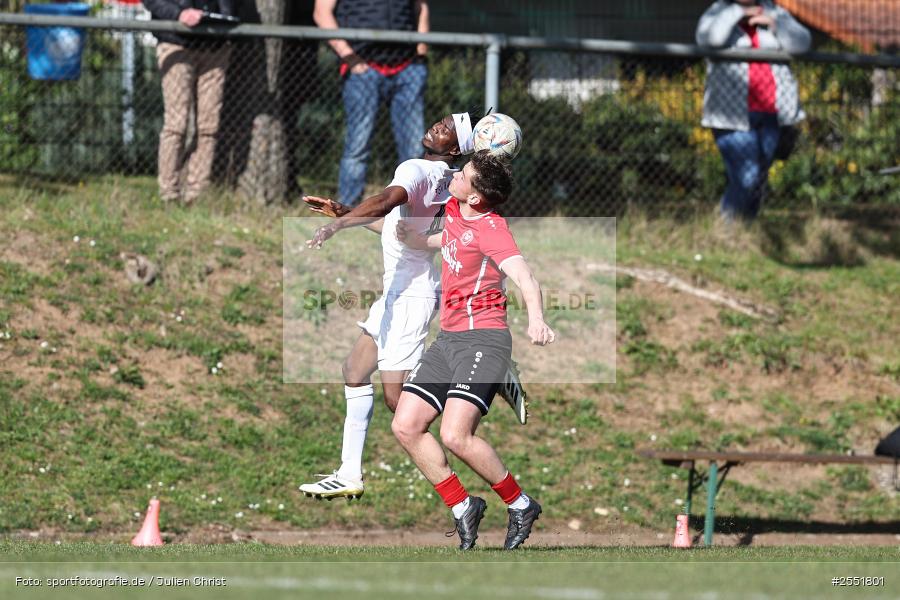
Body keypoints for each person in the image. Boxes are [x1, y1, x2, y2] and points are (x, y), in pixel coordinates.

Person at [298, 113, 470, 500]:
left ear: (454, 149)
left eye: (448, 130)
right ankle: (349, 473)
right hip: (398, 293)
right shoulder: (444, 177)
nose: (437, 127)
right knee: (354, 370)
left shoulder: (417, 169)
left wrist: (339, 226)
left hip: (410, 297)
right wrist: (345, 212)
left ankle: (481, 383)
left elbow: (383, 202)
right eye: (440, 122)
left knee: (399, 401)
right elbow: (393, 225)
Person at [391, 151, 555, 550]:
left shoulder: (492, 228)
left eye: (464, 175)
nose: (456, 175)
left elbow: (525, 277)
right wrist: (360, 220)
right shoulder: (454, 207)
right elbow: (444, 239)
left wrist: (536, 319)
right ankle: (463, 506)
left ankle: (520, 504)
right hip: (449, 340)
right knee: (405, 425)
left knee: (455, 435)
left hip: (484, 339)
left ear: (477, 197)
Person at [696, 0, 811, 221]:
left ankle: (746, 230)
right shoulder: (718, 11)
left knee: (758, 179)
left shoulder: (774, 11)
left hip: (772, 112)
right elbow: (710, 38)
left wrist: (776, 24)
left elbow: (802, 43)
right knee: (746, 177)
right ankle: (728, 229)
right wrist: (738, 13)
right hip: (730, 115)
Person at [313, 0, 429, 207]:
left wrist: (420, 55)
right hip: (362, 69)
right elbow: (322, 13)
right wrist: (350, 58)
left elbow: (421, 9)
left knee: (414, 150)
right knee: (357, 147)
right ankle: (347, 214)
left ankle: (413, 214)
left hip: (407, 68)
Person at [142, 0, 237, 204]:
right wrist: (179, 13)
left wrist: (225, 19)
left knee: (209, 126)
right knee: (176, 124)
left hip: (215, 45)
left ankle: (197, 194)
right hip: (176, 43)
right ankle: (169, 194)